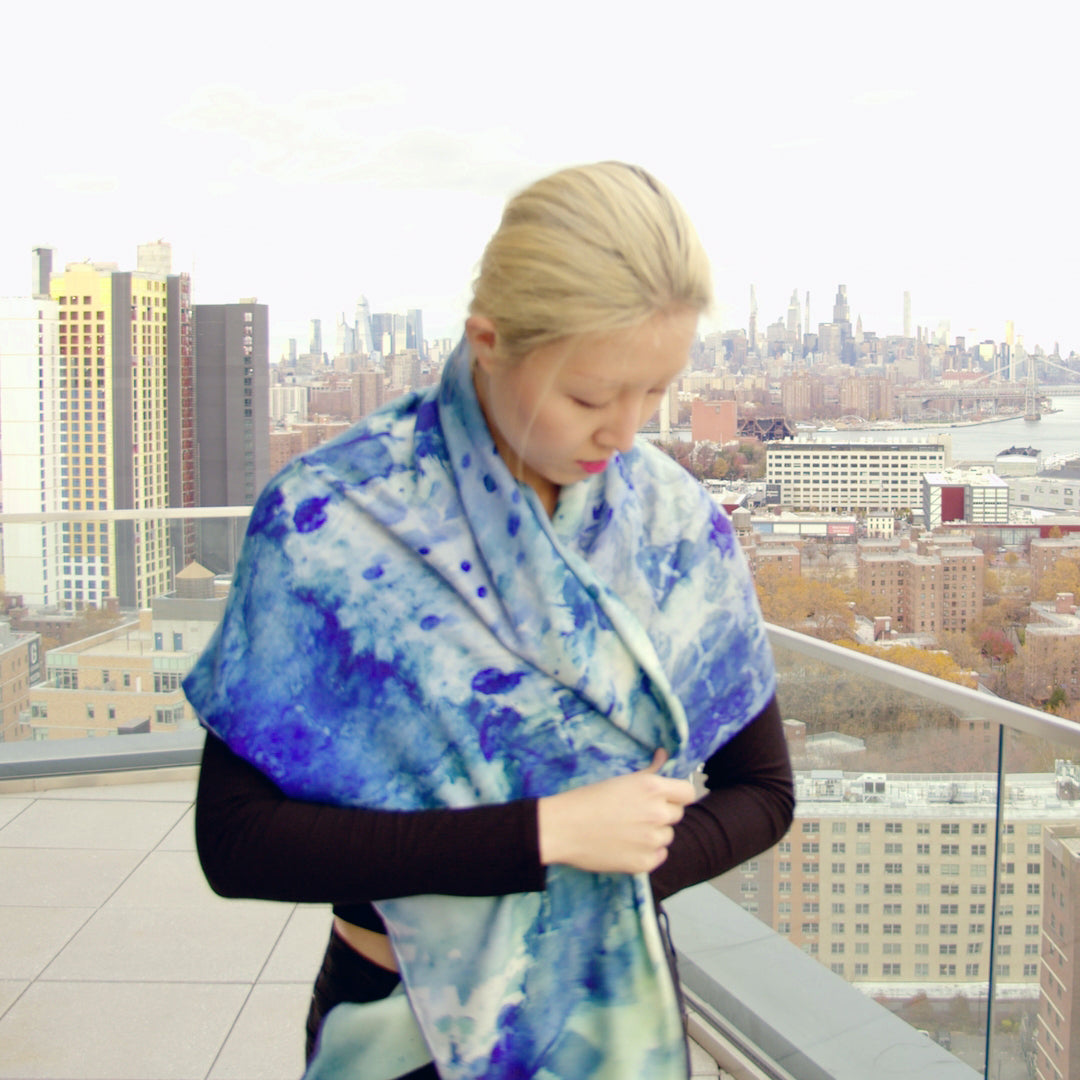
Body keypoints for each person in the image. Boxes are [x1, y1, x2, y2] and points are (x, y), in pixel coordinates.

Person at [185, 161, 794, 1080]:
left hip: (613, 1013)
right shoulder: (332, 520)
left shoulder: (670, 525)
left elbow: (764, 793)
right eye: (592, 397)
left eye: (655, 393)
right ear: (489, 341)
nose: (626, 434)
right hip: (395, 1030)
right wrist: (545, 839)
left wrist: (608, 883)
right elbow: (235, 842)